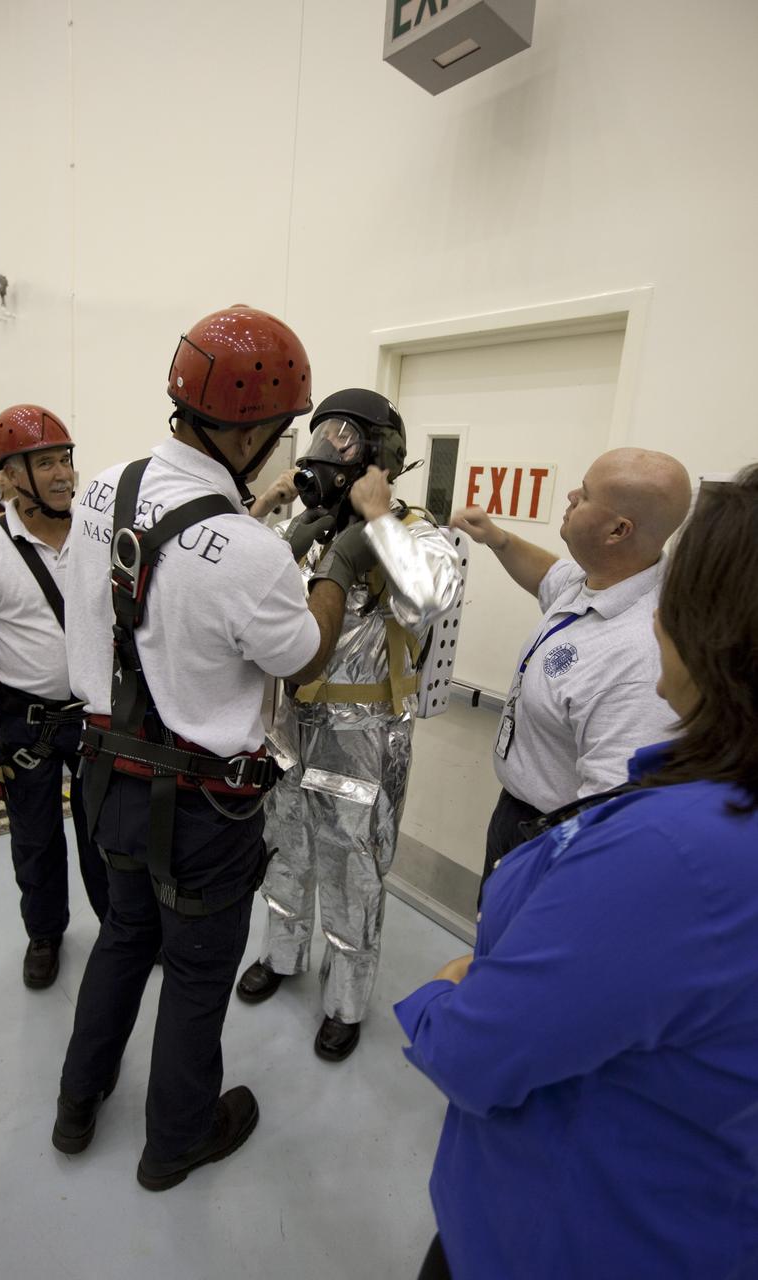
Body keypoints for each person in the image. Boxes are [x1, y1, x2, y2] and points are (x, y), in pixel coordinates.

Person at [396, 462, 758, 1280]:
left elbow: (481, 1048)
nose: (663, 608)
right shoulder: (585, 585)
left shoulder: (664, 849)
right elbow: (546, 571)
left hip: (560, 1237)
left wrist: (450, 989)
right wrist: (490, 538)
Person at [51, 305, 358, 1190]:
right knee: (193, 974)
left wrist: (251, 521)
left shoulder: (105, 485)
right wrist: (336, 559)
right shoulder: (256, 557)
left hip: (105, 771)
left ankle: (78, 1108)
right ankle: (175, 1142)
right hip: (202, 806)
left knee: (120, 941)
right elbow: (300, 657)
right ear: (256, 428)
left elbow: (169, 584)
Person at [237, 390, 461, 1061]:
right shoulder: (305, 531)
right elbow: (244, 589)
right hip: (287, 725)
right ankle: (281, 956)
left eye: (343, 440)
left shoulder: (412, 530)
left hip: (362, 733)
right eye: (320, 438)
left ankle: (345, 1000)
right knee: (284, 851)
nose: (326, 454)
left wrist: (378, 517)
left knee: (351, 869)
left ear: (378, 456)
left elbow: (428, 597)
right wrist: (262, 512)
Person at [450, 447, 692, 889]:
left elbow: (606, 817)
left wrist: (552, 884)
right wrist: (498, 539)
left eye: (585, 495)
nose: (571, 494)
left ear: (618, 530)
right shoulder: (597, 581)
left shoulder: (639, 653)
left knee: (512, 954)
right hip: (517, 817)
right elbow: (548, 576)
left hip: (557, 845)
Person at [0, 406, 108, 989]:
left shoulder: (99, 536)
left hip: (95, 718)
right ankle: (45, 933)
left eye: (66, 458)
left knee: (105, 834)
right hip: (24, 724)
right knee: (34, 838)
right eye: (45, 462)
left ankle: (119, 931)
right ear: (9, 477)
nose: (64, 473)